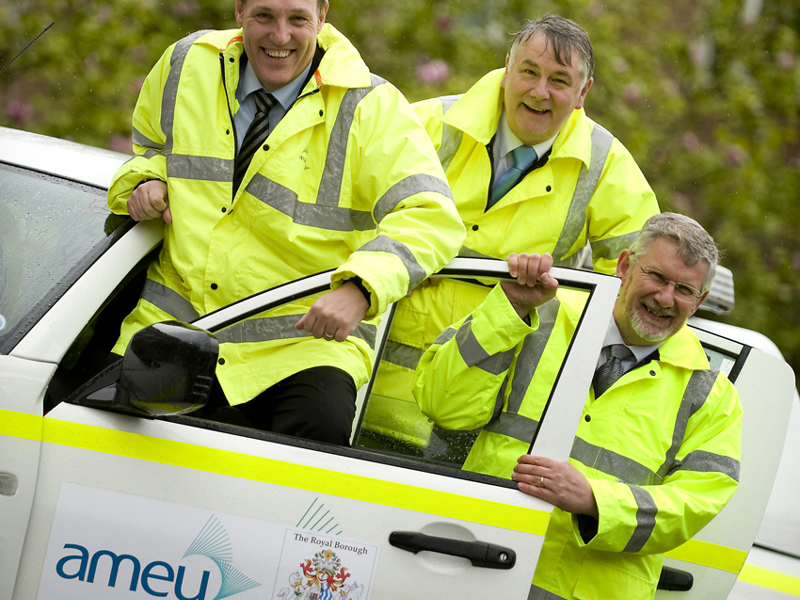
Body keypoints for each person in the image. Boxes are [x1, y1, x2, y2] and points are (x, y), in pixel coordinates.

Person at [106, 0, 465, 445]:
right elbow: (151, 147)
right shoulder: (186, 62)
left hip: (301, 350)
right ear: (238, 11)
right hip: (174, 332)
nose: (280, 36)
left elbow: (433, 217)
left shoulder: (371, 107)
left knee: (308, 471)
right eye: (264, 16)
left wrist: (360, 288)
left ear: (322, 15)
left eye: (297, 19)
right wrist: (147, 178)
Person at [360, 14, 659, 457]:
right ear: (506, 69)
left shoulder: (607, 166)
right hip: (367, 397)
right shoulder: (427, 124)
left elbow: (639, 284)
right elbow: (347, 232)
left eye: (560, 80)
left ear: (584, 93)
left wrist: (552, 299)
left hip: (484, 426)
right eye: (529, 72)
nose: (540, 92)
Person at [412, 213, 742, 599]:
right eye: (657, 276)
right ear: (624, 266)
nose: (666, 298)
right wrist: (511, 309)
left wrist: (594, 500)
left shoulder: (712, 393)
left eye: (684, 289)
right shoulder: (538, 314)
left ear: (699, 301)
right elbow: (443, 403)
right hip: (478, 569)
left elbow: (699, 500)